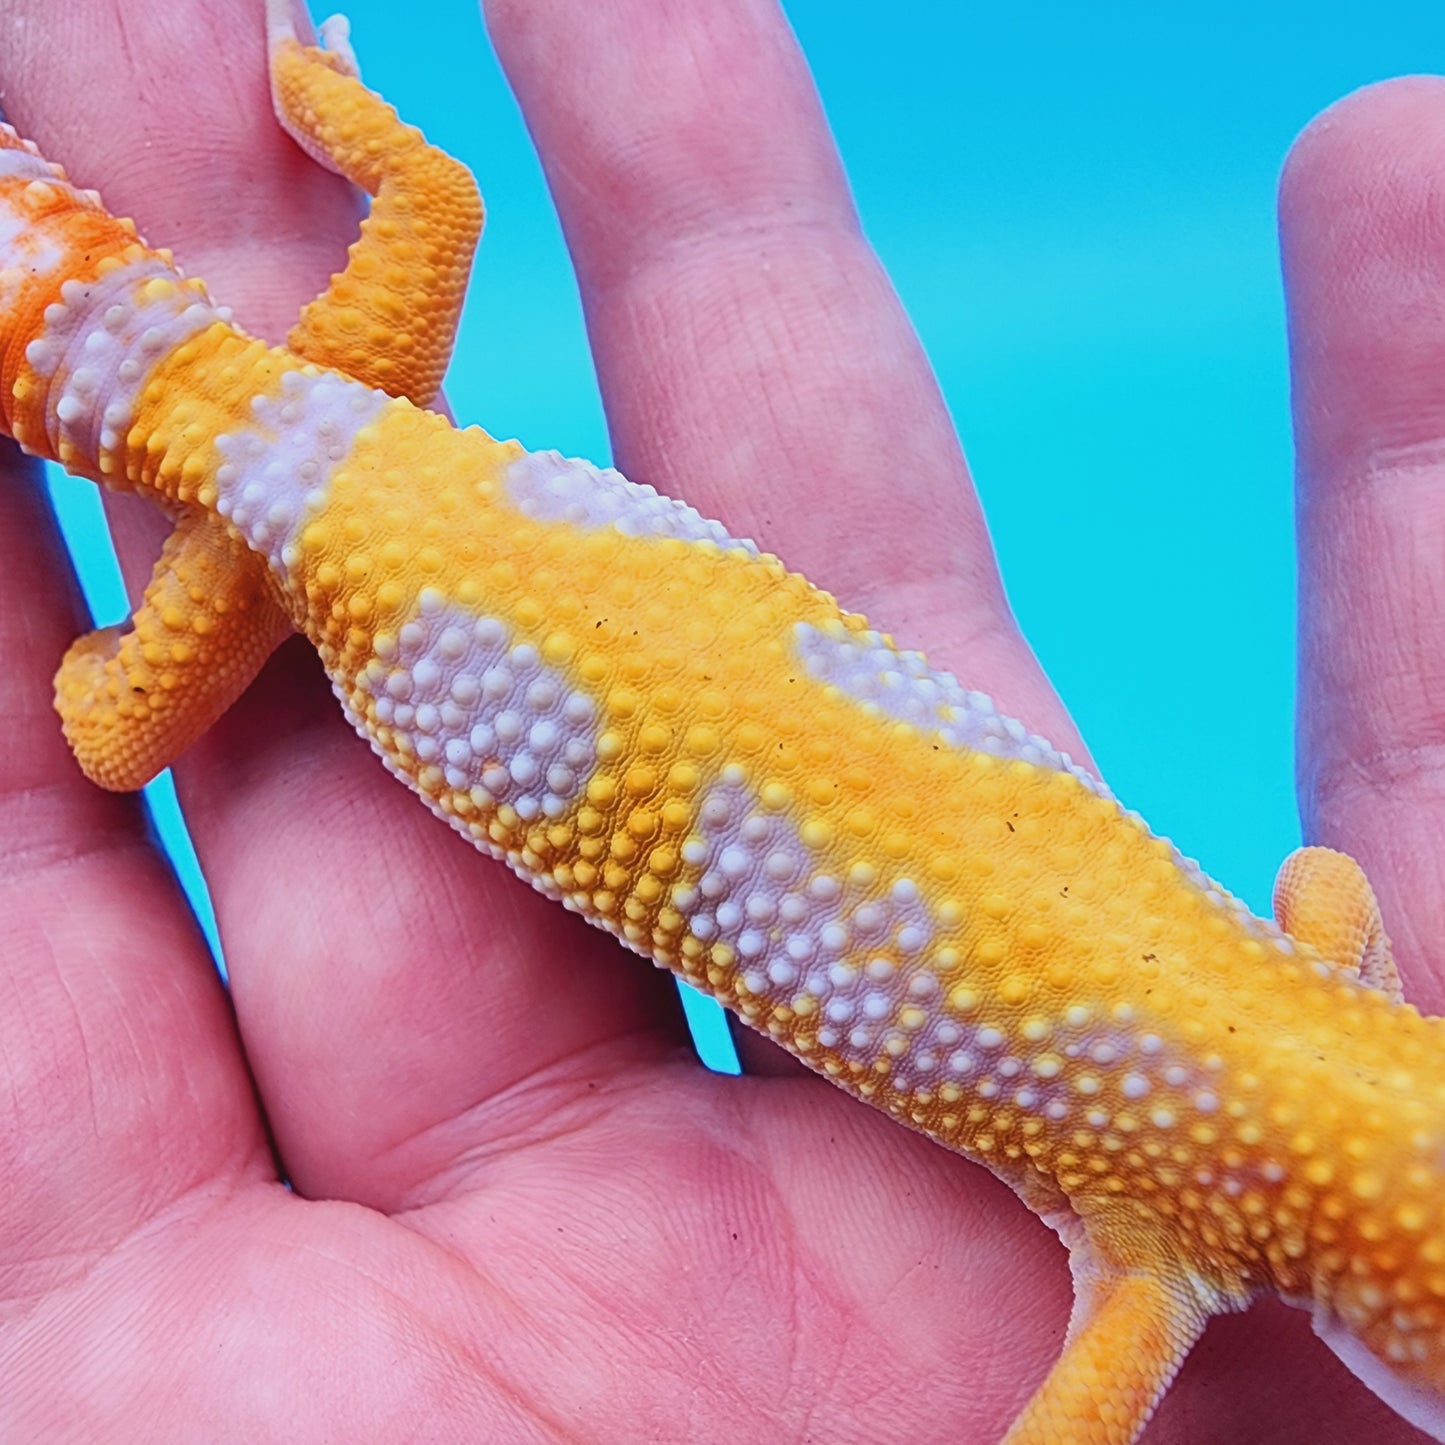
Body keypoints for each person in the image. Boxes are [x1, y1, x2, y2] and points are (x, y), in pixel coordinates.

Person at [0, 0, 1434, 1439]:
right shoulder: (1164, 1254)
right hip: (298, 539)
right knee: (113, 733)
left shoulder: (1311, 979)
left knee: (435, 202)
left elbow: (1325, 886)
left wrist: (1334, 1019)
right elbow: (113, 738)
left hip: (354, 463)